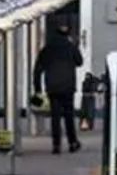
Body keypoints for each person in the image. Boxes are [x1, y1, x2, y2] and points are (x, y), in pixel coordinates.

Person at [33, 22, 84, 154]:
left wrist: (37, 89)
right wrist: (74, 45)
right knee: (69, 115)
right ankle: (72, 142)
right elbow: (79, 62)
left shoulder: (47, 48)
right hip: (68, 86)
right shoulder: (70, 46)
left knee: (55, 117)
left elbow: (38, 70)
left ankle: (56, 145)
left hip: (52, 86)